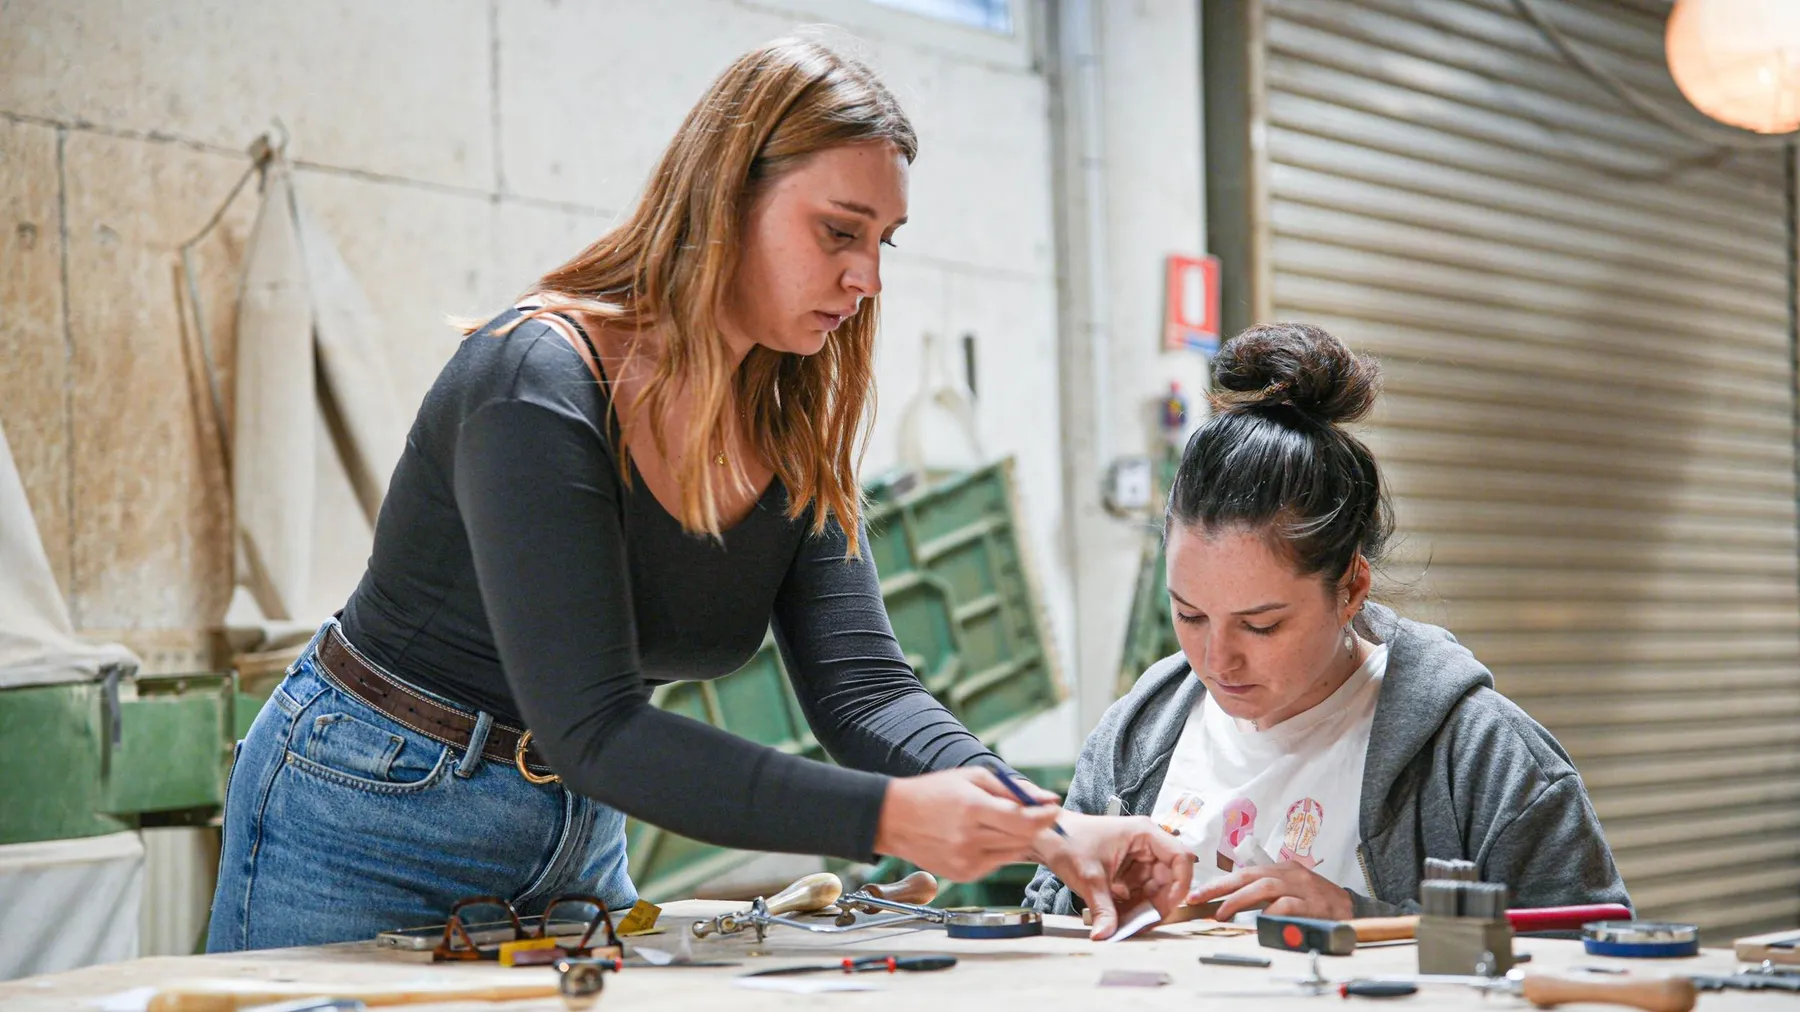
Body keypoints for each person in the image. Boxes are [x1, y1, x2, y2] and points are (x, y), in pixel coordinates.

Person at [208, 37, 1191, 952]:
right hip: (370, 809)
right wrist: (891, 817)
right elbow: (596, 728)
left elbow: (865, 689)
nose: (867, 278)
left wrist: (1044, 823)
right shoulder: (535, 382)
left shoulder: (790, 420)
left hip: (574, 831)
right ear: (727, 197)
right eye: (838, 231)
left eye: (884, 241)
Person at [1024, 323, 1630, 921]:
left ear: (1351, 588)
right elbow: (1047, 914)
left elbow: (1592, 950)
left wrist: (1367, 922)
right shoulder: (1139, 735)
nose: (1215, 660)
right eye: (1189, 614)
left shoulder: (1478, 757)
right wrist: (1087, 897)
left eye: (1261, 625)